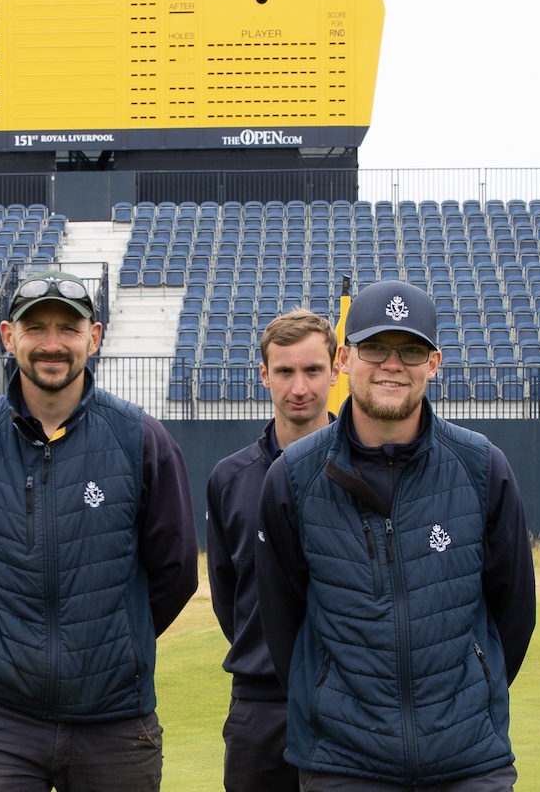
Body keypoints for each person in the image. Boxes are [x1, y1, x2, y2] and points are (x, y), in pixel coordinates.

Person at [0, 269, 198, 792]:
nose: (52, 344)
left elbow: (176, 572)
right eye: (36, 328)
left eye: (68, 329)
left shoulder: (141, 440)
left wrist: (113, 641)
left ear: (93, 338)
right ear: (9, 337)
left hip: (115, 718)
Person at [256, 278, 537, 791]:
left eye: (411, 350)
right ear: (344, 359)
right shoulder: (294, 477)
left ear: (434, 363)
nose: (392, 364)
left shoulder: (481, 466)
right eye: (375, 348)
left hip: (470, 762)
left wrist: (472, 687)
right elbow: (283, 619)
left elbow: (513, 611)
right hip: (343, 765)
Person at [206, 308, 338, 792]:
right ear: (264, 375)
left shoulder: (366, 470)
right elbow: (229, 596)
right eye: (284, 371)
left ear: (336, 368)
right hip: (259, 708)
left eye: (312, 370)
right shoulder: (229, 478)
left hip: (350, 704)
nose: (299, 387)